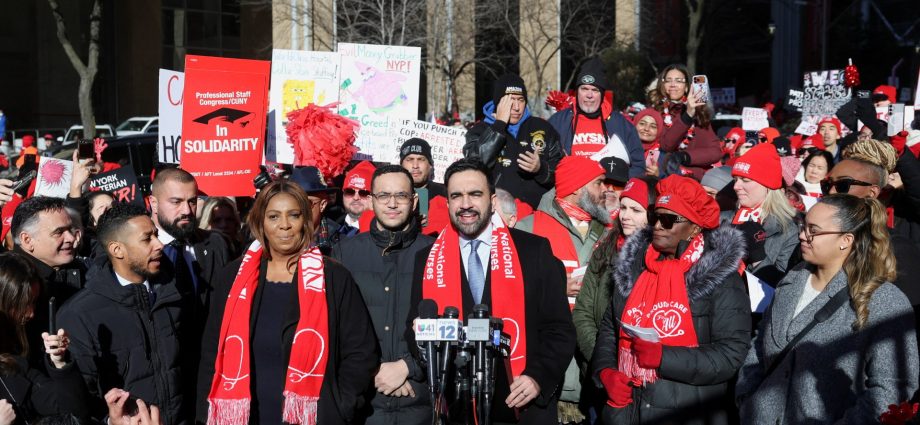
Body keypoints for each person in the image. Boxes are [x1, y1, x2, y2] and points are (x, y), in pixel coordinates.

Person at [407, 158, 575, 424]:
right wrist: (422, 342)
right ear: (447, 202)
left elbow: (560, 329)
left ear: (493, 200)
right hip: (456, 408)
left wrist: (537, 377)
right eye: (456, 196)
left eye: (475, 194)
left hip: (522, 406)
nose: (465, 204)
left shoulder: (535, 251)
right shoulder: (426, 259)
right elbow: (413, 328)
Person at [197, 180, 378, 425]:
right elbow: (211, 352)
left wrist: (339, 406)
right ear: (260, 221)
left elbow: (360, 353)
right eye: (273, 216)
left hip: (315, 417)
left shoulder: (334, 277)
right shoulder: (232, 277)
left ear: (306, 220)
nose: (284, 225)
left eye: (293, 215)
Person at [736, 194, 919, 423]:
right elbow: (761, 338)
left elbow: (892, 388)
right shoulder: (792, 279)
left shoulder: (885, 301)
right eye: (803, 225)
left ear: (846, 240)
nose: (802, 235)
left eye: (814, 230)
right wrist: (746, 396)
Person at [592, 175, 751, 424]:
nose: (657, 226)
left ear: (695, 227)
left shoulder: (720, 278)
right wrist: (606, 372)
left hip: (685, 413)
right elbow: (610, 328)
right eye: (655, 217)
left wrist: (663, 357)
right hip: (625, 410)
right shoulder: (634, 266)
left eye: (668, 220)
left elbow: (731, 354)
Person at [57, 203, 185, 424]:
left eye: (156, 235)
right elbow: (81, 400)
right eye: (147, 239)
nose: (159, 245)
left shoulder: (173, 292)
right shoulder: (79, 314)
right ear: (117, 250)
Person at [332, 165, 435, 424]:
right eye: (383, 196)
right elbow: (337, 329)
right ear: (371, 200)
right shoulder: (344, 253)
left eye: (400, 196)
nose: (392, 204)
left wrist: (407, 368)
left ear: (413, 202)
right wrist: (375, 371)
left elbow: (449, 325)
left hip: (420, 400)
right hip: (365, 401)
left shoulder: (435, 253)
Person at [514, 156, 610, 423]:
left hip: (597, 368)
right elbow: (509, 292)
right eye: (599, 183)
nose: (607, 190)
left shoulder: (608, 231)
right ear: (577, 187)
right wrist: (555, 287)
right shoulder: (529, 228)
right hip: (550, 374)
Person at [0, 252, 89, 424]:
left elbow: (72, 414)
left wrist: (60, 363)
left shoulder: (14, 362)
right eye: (22, 304)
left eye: (33, 302)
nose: (30, 313)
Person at [463, 74, 563, 209]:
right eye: (511, 100)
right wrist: (499, 125)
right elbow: (474, 165)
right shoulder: (479, 130)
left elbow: (561, 169)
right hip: (496, 213)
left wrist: (541, 169)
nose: (516, 107)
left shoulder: (542, 128)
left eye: (521, 100)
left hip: (537, 214)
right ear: (499, 102)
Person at [9, 196, 86, 370]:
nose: (70, 238)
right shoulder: (8, 282)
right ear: (27, 240)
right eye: (59, 232)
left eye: (71, 229)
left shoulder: (83, 269)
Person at [548, 58, 644, 177]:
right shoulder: (558, 121)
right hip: (570, 189)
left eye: (595, 90)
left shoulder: (621, 124)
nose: (589, 95)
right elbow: (545, 162)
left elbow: (639, 166)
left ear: (602, 94)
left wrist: (618, 182)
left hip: (610, 190)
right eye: (584, 89)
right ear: (577, 92)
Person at [727, 143, 800, 284]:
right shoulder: (723, 218)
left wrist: (757, 255)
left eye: (745, 180)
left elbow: (781, 286)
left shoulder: (789, 230)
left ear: (768, 186)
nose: (736, 187)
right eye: (735, 180)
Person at [647, 65, 722, 180]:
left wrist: (685, 156)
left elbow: (715, 152)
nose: (672, 84)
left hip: (692, 180)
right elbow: (666, 145)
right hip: (662, 177)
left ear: (687, 87)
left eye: (679, 81)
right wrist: (687, 116)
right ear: (663, 85)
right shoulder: (655, 113)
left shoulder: (699, 113)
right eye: (668, 80)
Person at [288, 166, 343, 255]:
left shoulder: (340, 244)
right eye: (293, 201)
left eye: (307, 202)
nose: (297, 208)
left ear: (322, 205)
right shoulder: (276, 238)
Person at [632, 109, 664, 176]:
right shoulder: (623, 146)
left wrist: (658, 176)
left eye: (653, 126)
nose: (646, 129)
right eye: (642, 123)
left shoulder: (663, 158)